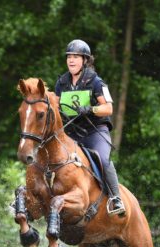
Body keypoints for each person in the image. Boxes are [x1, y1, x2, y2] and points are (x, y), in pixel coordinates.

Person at [54, 39, 126, 216]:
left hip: (94, 131)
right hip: (72, 133)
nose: (71, 60)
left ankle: (116, 197)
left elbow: (108, 108)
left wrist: (91, 109)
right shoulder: (61, 83)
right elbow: (56, 108)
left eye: (76, 57)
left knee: (102, 158)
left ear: (85, 60)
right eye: (69, 57)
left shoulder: (96, 82)